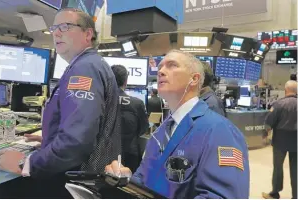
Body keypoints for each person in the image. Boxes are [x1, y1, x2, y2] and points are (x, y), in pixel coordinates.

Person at [0, 8, 121, 198]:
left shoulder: (84, 68)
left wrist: (26, 163)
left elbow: (75, 141)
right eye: (55, 28)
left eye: (65, 26)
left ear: (88, 34)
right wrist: (49, 138)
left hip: (72, 183)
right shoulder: (88, 64)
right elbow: (85, 129)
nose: (56, 32)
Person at [105, 50, 250, 199]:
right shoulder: (161, 132)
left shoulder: (220, 131)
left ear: (194, 79)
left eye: (172, 65)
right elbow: (144, 179)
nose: (161, 71)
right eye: (160, 67)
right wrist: (127, 181)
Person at [262, 80, 297, 199]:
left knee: (278, 167)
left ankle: (275, 193)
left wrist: (265, 134)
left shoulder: (279, 104)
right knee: (296, 169)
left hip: (280, 140)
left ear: (286, 90)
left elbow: (269, 123)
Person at [111, 64, 149, 172]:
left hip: (104, 154)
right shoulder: (137, 103)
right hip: (130, 153)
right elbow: (144, 128)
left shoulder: (102, 101)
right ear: (125, 81)